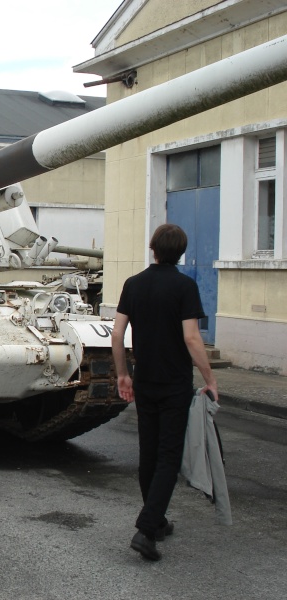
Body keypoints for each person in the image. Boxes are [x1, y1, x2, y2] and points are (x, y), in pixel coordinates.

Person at [111, 223, 219, 561]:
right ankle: (146, 529)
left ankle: (155, 522)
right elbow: (191, 338)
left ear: (152, 247)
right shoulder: (185, 287)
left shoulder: (134, 284)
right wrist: (210, 379)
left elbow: (117, 333)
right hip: (174, 384)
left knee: (149, 453)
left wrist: (123, 375)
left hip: (144, 380)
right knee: (168, 457)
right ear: (181, 252)